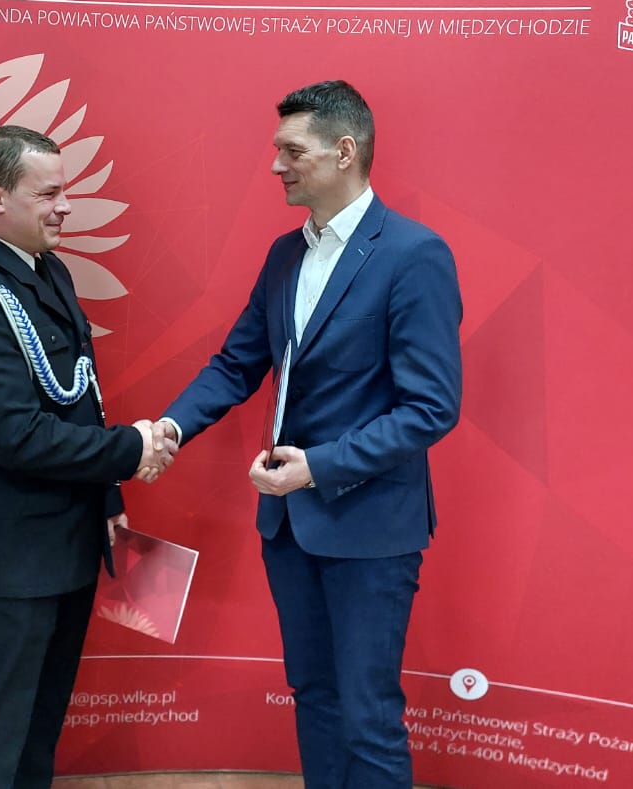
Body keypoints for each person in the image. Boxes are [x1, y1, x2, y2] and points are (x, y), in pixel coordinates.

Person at [156, 80, 462, 788]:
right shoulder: (283, 255)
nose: (276, 165)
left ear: (344, 151)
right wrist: (170, 426)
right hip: (289, 527)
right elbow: (236, 364)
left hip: (370, 529)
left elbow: (430, 408)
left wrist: (317, 466)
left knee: (369, 716)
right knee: (316, 699)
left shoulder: (414, 254)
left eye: (292, 151)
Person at [0, 124, 175, 789]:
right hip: (10, 558)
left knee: (38, 731)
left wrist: (110, 497)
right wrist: (131, 449)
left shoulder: (49, 270)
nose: (65, 206)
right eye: (49, 193)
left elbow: (80, 396)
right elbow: (15, 434)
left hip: (68, 541)